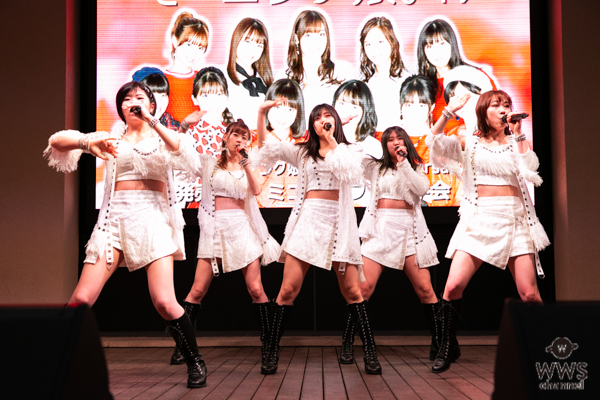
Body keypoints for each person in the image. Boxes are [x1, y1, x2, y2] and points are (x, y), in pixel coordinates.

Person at [43, 81, 206, 388]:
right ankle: (54, 362)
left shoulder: (163, 137)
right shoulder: (111, 138)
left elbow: (187, 157)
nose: (133, 102)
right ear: (120, 108)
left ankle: (194, 360)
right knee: (81, 298)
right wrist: (87, 144)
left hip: (153, 222)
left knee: (164, 301)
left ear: (152, 105)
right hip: (113, 222)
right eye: (127, 98)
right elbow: (57, 142)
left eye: (140, 97)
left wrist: (152, 121)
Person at [426, 90, 549, 373]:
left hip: (515, 220)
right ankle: (447, 345)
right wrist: (448, 111)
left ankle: (547, 347)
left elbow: (531, 168)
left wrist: (518, 133)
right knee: (452, 287)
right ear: (484, 110)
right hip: (480, 219)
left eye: (507, 104)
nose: (504, 109)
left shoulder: (515, 141)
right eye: (497, 105)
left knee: (530, 294)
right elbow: (433, 143)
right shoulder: (470, 141)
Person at [255, 102, 382, 375]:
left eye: (327, 116)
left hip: (339, 225)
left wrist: (332, 140)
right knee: (287, 290)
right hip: (308, 221)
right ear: (311, 124)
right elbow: (267, 146)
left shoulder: (349, 150)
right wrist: (262, 113)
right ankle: (271, 351)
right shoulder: (303, 152)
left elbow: (350, 173)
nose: (323, 120)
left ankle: (370, 353)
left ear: (336, 121)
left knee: (353, 292)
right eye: (317, 117)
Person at [169, 119, 280, 366]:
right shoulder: (209, 163)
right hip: (214, 229)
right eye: (235, 135)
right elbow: (181, 156)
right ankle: (182, 345)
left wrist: (246, 163)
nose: (239, 140)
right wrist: (184, 128)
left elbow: (256, 190)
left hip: (242, 228)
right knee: (197, 290)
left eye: (244, 136)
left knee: (256, 289)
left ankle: (269, 346)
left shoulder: (248, 164)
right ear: (226, 137)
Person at [338, 126, 439, 365]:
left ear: (406, 142)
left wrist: (404, 163)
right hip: (379, 230)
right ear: (384, 144)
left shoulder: (414, 167)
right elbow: (351, 157)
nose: (395, 142)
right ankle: (347, 341)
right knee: (362, 289)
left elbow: (422, 189)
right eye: (390, 139)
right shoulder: (375, 167)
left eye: (399, 138)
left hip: (410, 231)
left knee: (426, 290)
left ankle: (440, 343)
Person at [416, 18, 495, 132]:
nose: (437, 52)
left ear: (452, 44)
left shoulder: (476, 77)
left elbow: (498, 113)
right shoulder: (424, 88)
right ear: (423, 52)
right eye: (430, 46)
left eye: (442, 44)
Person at [399, 74, 461, 207]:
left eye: (421, 105)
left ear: (431, 107)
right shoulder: (388, 143)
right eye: (409, 105)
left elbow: (460, 191)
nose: (414, 111)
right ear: (401, 106)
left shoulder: (447, 142)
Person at [285, 10, 351, 120]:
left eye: (321, 34)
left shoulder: (342, 74)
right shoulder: (285, 78)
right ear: (296, 39)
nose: (315, 41)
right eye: (308, 35)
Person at [254, 79, 306, 207]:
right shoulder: (253, 145)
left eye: (290, 110)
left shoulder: (305, 147)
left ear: (297, 114)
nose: (283, 115)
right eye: (277, 107)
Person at [359, 16, 408, 131]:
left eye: (380, 42)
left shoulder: (406, 81)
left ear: (392, 42)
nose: (374, 49)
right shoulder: (365, 84)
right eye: (368, 44)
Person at [227, 18, 273, 130]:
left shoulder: (266, 80)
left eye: (259, 45)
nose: (252, 50)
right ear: (236, 40)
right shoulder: (222, 77)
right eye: (248, 42)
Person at [164, 11, 209, 123]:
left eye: (200, 48)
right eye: (189, 45)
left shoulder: (203, 80)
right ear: (175, 40)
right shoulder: (160, 80)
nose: (194, 53)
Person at [333, 80, 380, 158]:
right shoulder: (322, 140)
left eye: (354, 107)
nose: (346, 111)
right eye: (342, 103)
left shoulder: (372, 146)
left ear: (365, 112)